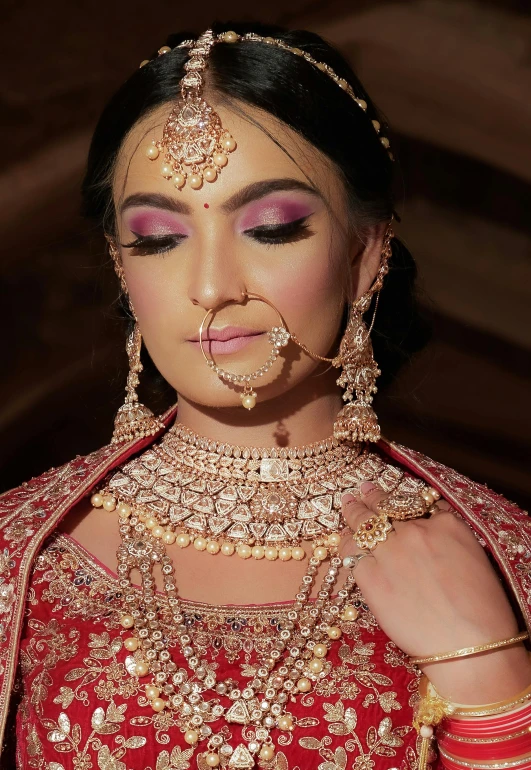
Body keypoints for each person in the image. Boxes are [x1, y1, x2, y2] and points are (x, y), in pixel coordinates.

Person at [1, 22, 530, 770]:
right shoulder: (20, 556)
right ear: (121, 267)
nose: (213, 287)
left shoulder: (497, 557)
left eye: (273, 227)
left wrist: (492, 684)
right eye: (157, 238)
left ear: (365, 253)